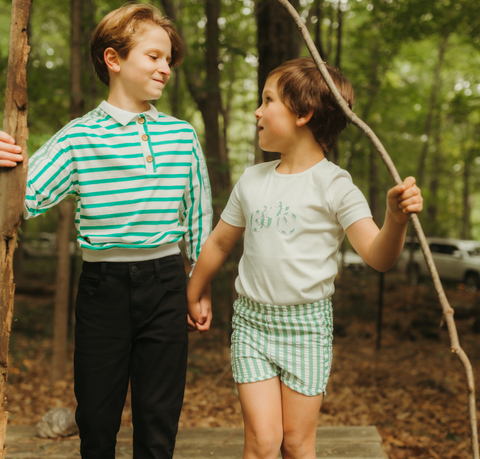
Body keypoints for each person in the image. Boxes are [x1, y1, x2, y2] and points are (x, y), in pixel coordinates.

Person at [0, 4, 212, 458]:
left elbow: (197, 216)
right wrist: (4, 164)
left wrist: (198, 284)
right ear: (114, 60)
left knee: (159, 419)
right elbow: (24, 199)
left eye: (169, 59)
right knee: (96, 418)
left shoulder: (181, 135)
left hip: (167, 283)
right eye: (154, 56)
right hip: (103, 289)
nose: (165, 67)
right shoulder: (78, 137)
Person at [187, 58, 423, 459]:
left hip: (307, 327)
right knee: (262, 443)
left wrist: (395, 219)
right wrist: (194, 291)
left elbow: (378, 256)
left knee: (296, 444)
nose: (257, 111)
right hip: (252, 324)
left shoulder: (336, 185)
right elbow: (220, 243)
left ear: (304, 114)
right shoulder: (253, 180)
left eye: (267, 100)